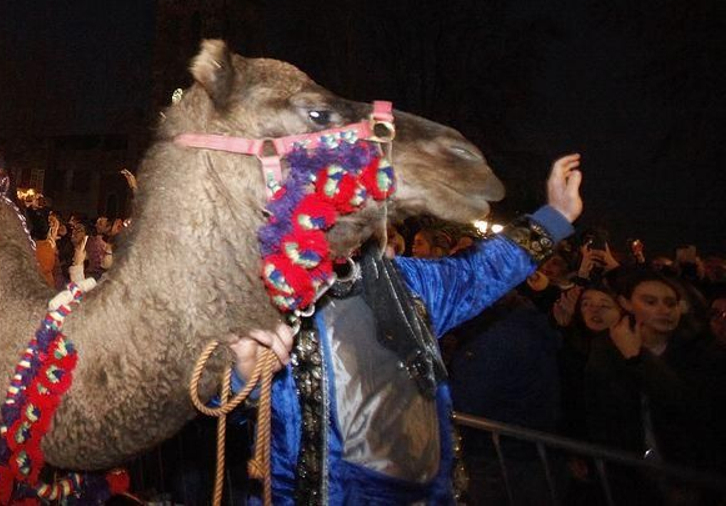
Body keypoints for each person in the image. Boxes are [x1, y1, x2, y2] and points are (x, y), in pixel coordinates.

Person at [229, 154, 585, 505]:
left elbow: (481, 272)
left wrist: (555, 218)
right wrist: (242, 374)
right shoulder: (269, 294)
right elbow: (208, 391)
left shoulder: (410, 282)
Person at [585, 268, 726, 487]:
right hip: (627, 473)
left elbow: (688, 405)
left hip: (688, 472)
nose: (663, 310)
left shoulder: (701, 351)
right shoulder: (606, 346)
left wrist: (637, 358)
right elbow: (598, 406)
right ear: (626, 303)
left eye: (670, 303)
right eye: (650, 302)